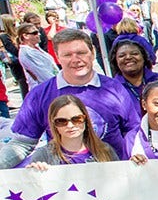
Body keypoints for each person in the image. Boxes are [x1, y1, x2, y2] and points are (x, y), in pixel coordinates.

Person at [0, 29, 139, 167]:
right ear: (57, 57)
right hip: (64, 182)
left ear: (92, 53)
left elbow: (133, 131)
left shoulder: (114, 88)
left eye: (81, 53)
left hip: (112, 174)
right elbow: (21, 143)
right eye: (67, 55)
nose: (75, 60)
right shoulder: (39, 95)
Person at [109, 34, 158, 113]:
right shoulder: (112, 89)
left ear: (144, 57)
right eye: (122, 55)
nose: (128, 57)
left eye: (134, 54)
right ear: (115, 61)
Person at [17, 22, 59, 89]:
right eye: (35, 33)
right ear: (25, 36)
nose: (39, 34)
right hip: (45, 88)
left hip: (53, 83)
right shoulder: (26, 53)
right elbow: (42, 73)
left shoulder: (36, 47)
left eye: (38, 32)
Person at [0, 14, 28, 99]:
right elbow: (14, 51)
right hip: (18, 66)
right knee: (25, 90)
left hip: (22, 65)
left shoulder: (13, 35)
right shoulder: (4, 37)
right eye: (13, 24)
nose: (15, 26)